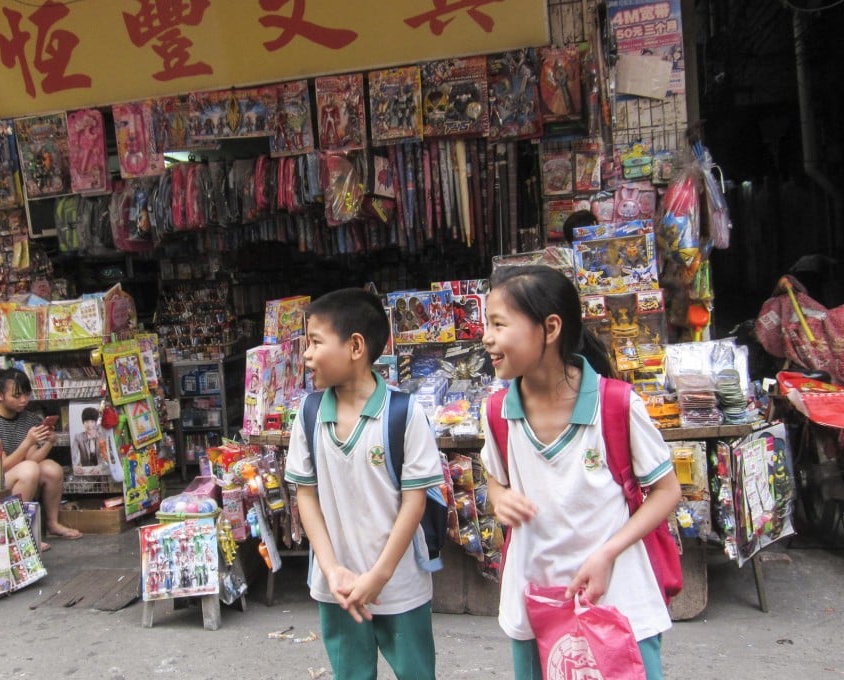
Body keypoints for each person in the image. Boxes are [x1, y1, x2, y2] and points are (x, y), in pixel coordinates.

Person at [479, 265, 681, 680]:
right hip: (536, 600)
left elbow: (666, 490)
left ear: (550, 328)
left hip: (619, 598)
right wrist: (499, 498)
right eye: (487, 324)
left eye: (499, 324)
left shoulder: (617, 405)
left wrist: (606, 553)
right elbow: (494, 478)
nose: (486, 338)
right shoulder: (497, 412)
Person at [284, 288, 443, 680]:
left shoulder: (404, 414)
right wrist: (331, 567)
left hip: (400, 585)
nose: (306, 354)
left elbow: (414, 502)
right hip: (335, 588)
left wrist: (380, 576)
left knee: (417, 673)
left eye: (315, 342)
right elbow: (306, 497)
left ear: (355, 346)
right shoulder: (308, 414)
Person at [0, 368, 83, 548]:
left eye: (26, 394)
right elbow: (1, 467)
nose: (23, 400)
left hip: (23, 474)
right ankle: (20, 533)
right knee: (29, 469)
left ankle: (52, 523)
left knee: (52, 469)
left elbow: (33, 457)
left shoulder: (28, 418)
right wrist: (27, 442)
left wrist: (49, 442)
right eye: (17, 396)